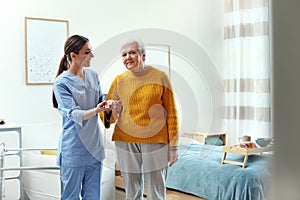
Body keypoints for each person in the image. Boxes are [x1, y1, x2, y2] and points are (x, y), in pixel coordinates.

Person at [103, 38, 179, 200]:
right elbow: (109, 117)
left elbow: (171, 113)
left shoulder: (160, 77)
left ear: (143, 55)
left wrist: (173, 147)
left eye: (132, 52)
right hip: (125, 140)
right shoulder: (119, 80)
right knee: (131, 188)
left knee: (155, 189)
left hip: (155, 140)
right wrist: (111, 110)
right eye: (124, 54)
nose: (128, 57)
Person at [52, 34, 108, 200]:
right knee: (70, 197)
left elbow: (100, 100)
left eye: (91, 51)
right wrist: (96, 110)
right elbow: (72, 113)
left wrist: (108, 105)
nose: (92, 55)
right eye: (87, 52)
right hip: (74, 150)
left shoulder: (93, 75)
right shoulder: (61, 83)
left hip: (94, 148)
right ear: (73, 56)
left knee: (93, 196)